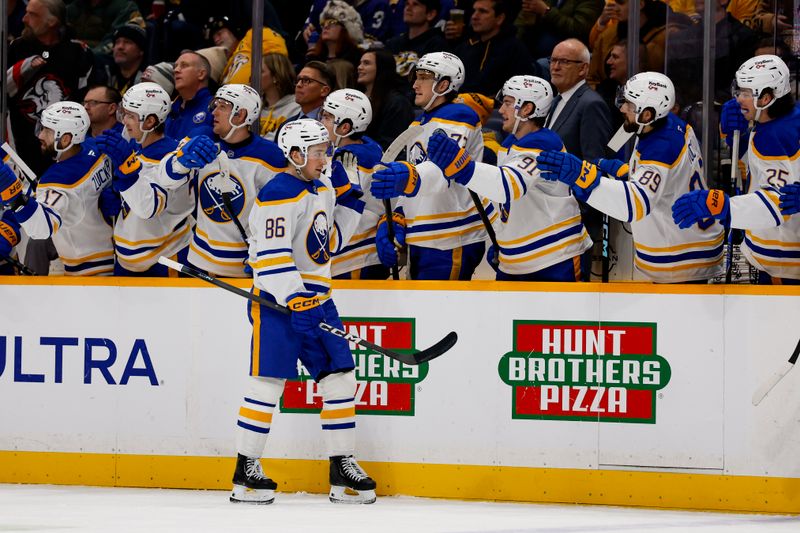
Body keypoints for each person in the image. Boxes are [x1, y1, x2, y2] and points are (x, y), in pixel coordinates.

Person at [233, 118, 375, 505]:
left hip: (319, 301)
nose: (324, 159)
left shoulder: (322, 186)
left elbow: (326, 244)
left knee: (340, 378)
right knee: (268, 382)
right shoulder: (278, 193)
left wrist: (352, 205)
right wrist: (295, 298)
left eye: (325, 151)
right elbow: (272, 258)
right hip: (277, 304)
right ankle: (245, 471)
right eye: (317, 152)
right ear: (295, 154)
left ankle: (341, 467)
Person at [536, 72, 724, 283]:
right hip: (690, 242)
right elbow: (672, 179)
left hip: (682, 257)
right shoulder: (670, 124)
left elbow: (634, 204)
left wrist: (584, 177)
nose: (623, 109)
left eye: (630, 105)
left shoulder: (660, 148)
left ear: (647, 114)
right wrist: (629, 172)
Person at [422, 75, 593, 281]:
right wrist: (503, 238)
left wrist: (464, 168)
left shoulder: (544, 145)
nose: (501, 110)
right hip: (515, 261)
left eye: (508, 103)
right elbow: (501, 203)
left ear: (527, 109)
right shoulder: (510, 144)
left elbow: (508, 186)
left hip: (555, 257)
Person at [672, 55, 800, 285]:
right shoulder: (786, 119)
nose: (739, 98)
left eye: (746, 93)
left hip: (783, 261)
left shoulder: (775, 135)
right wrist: (739, 142)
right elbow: (763, 172)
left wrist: (724, 206)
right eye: (739, 90)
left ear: (767, 98)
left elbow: (774, 202)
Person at [370, 51, 495, 280]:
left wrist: (406, 176)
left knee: (443, 304)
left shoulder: (458, 115)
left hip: (451, 236)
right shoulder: (419, 123)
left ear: (444, 84)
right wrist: (398, 216)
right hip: (424, 236)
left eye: (424, 78)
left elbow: (443, 171)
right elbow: (414, 178)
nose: (415, 85)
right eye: (416, 77)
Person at [158, 84, 287, 278]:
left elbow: (277, 213)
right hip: (200, 260)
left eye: (222, 107)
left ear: (241, 115)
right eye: (215, 105)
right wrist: (180, 163)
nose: (213, 112)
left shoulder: (270, 156)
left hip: (244, 265)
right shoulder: (201, 138)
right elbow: (164, 179)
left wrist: (264, 253)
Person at [0, 102, 115, 276]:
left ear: (66, 139)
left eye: (47, 130)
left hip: (88, 273)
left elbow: (40, 229)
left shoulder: (60, 181)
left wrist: (13, 194)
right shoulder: (94, 148)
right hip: (109, 256)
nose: (40, 135)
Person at [94, 82, 195, 276]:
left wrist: (127, 172)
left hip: (166, 259)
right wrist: (116, 193)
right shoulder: (137, 148)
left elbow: (148, 207)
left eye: (131, 116)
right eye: (124, 114)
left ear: (149, 122)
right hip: (126, 262)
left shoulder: (173, 159)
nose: (124, 121)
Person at [545, 38, 613, 281]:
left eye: (564, 61)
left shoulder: (591, 104)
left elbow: (594, 165)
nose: (555, 66)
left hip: (572, 223)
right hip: (550, 218)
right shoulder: (556, 100)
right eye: (553, 60)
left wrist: (576, 213)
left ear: (583, 68)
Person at [7, 0, 94, 176]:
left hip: (64, 144)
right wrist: (22, 68)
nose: (24, 19)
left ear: (52, 21)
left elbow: (87, 99)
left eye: (32, 15)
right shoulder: (17, 48)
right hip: (21, 142)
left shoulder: (78, 51)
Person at [319, 89, 388, 280]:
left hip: (353, 257)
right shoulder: (370, 146)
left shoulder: (346, 159)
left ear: (345, 127)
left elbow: (337, 208)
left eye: (327, 117)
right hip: (366, 253)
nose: (321, 123)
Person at [453, 0, 533, 97]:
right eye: (474, 11)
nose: (474, 16)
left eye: (483, 11)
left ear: (499, 18)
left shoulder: (515, 50)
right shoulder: (466, 46)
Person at [356, 49, 415, 150]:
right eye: (360, 63)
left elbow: (390, 145)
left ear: (381, 68)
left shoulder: (397, 103)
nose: (359, 67)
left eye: (366, 63)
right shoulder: (357, 97)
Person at [386, 0, 449, 78]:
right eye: (407, 4)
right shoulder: (393, 43)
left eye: (415, 4)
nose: (408, 8)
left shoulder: (437, 46)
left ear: (430, 14)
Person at [165, 50, 215, 140]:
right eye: (175, 66)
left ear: (201, 74)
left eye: (184, 65)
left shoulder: (215, 107)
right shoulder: (168, 110)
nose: (176, 70)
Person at [259, 53, 302, 142]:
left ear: (276, 76)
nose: (253, 75)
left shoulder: (296, 107)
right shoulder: (254, 105)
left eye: (261, 71)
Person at [108, 22, 147, 94]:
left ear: (141, 50)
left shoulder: (147, 83)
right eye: (117, 42)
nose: (120, 47)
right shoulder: (105, 74)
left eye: (127, 42)